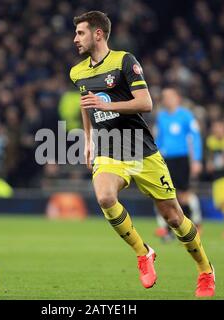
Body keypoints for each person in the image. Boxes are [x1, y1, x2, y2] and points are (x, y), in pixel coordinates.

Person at [70, 11, 215, 297]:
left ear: (98, 34)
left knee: (174, 217)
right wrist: (88, 140)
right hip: (109, 147)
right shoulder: (77, 72)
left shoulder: (125, 61)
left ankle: (205, 271)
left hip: (140, 148)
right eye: (76, 34)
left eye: (81, 33)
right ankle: (143, 252)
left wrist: (108, 105)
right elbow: (85, 102)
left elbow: (146, 102)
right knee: (104, 196)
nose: (75, 39)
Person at [154, 87, 203, 241]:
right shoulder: (161, 117)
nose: (166, 99)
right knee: (168, 196)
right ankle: (170, 231)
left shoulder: (186, 116)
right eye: (164, 97)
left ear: (177, 98)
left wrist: (196, 160)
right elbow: (159, 139)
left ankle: (190, 227)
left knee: (182, 195)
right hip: (166, 160)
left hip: (182, 159)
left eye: (169, 96)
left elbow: (195, 137)